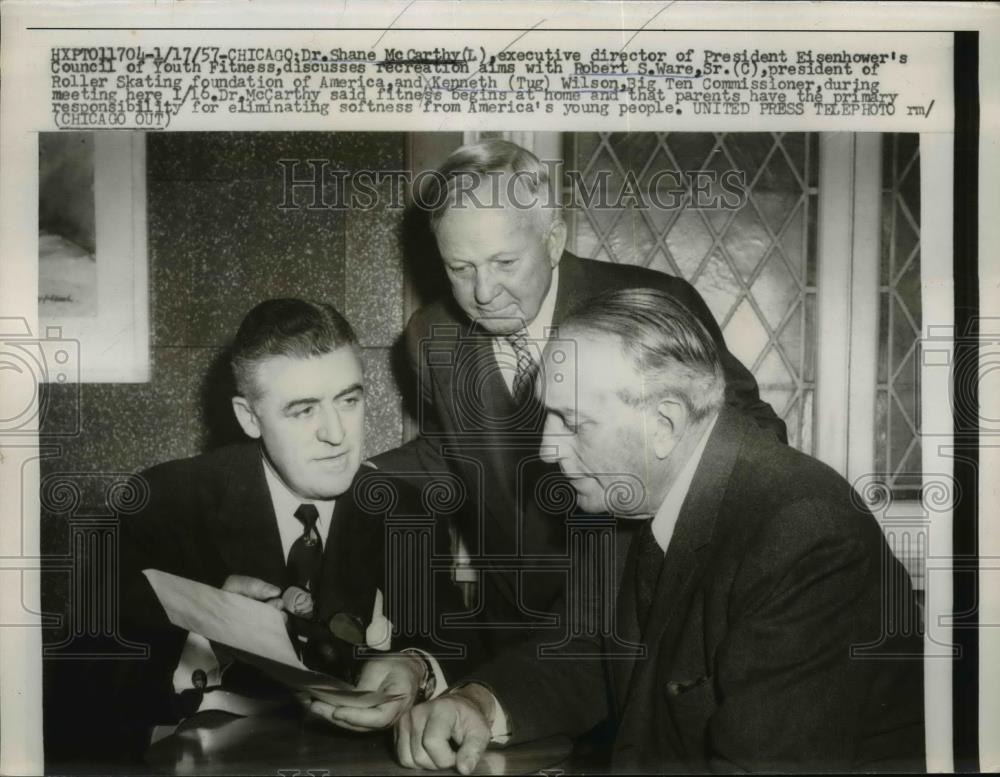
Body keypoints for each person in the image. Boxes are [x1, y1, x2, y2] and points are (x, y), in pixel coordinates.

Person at [395, 288, 925, 774]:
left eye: (573, 422)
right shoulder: (625, 499)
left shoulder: (805, 533)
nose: (547, 450)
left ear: (665, 424)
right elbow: (586, 655)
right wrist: (478, 703)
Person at [373, 138, 786, 656]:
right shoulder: (430, 335)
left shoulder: (655, 305)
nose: (482, 292)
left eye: (504, 262)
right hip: (512, 638)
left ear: (551, 240)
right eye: (461, 268)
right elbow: (453, 452)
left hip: (634, 628)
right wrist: (343, 482)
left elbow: (753, 438)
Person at [113, 299, 472, 751]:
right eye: (303, 410)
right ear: (249, 417)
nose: (337, 434)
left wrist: (416, 668)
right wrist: (204, 632)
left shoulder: (406, 510)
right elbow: (91, 687)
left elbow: (459, 640)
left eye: (349, 400)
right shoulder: (163, 504)